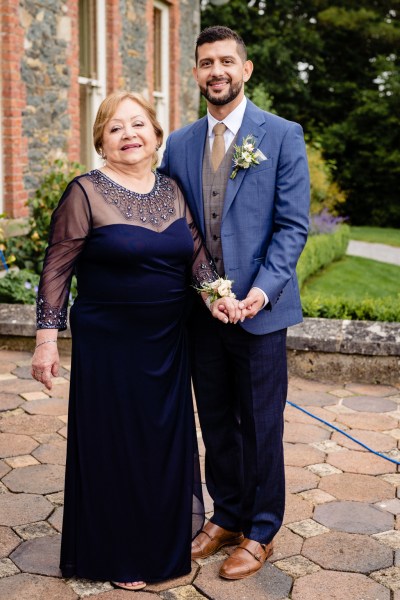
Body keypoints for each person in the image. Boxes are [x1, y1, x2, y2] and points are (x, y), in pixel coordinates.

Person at [31, 91, 241, 590]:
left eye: (138, 124)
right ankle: (119, 553)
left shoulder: (170, 189)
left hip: (167, 343)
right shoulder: (84, 192)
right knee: (116, 444)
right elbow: (56, 268)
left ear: (155, 135)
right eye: (116, 127)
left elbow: (195, 256)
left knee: (162, 444)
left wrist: (216, 298)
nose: (129, 134)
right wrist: (45, 340)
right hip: (110, 345)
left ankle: (159, 544)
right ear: (102, 141)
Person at [159, 26, 310, 580]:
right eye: (205, 63)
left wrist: (259, 293)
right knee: (216, 419)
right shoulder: (177, 144)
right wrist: (206, 293)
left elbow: (292, 227)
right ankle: (225, 516)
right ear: (196, 73)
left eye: (226, 61)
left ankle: (263, 528)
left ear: (246, 70)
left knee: (261, 424)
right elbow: (177, 228)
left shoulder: (283, 134)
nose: (215, 71)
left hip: (262, 313)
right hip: (202, 314)